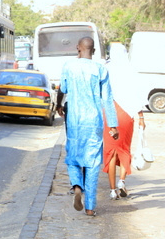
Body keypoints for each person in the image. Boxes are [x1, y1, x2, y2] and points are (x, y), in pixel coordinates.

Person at [56, 36, 119, 217]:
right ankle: (90, 208)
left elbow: (64, 88)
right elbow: (107, 98)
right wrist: (113, 125)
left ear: (78, 48)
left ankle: (77, 185)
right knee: (92, 163)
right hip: (94, 121)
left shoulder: (69, 66)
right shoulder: (100, 69)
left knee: (73, 156)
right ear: (94, 50)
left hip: (75, 120)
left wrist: (59, 105)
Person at [103, 56, 148, 200]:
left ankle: (112, 190)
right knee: (124, 150)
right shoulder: (130, 73)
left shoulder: (106, 71)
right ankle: (121, 181)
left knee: (111, 153)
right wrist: (141, 118)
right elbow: (137, 98)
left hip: (109, 115)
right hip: (127, 115)